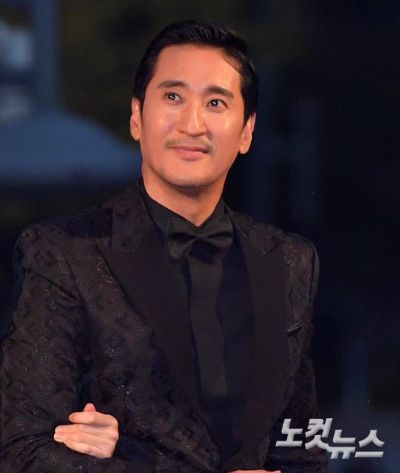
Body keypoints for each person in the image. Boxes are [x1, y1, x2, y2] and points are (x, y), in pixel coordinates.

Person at [0, 20, 328, 473]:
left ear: (247, 131)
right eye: (173, 97)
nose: (192, 124)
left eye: (215, 103)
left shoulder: (290, 261)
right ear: (136, 117)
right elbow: (22, 450)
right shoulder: (64, 254)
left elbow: (302, 447)